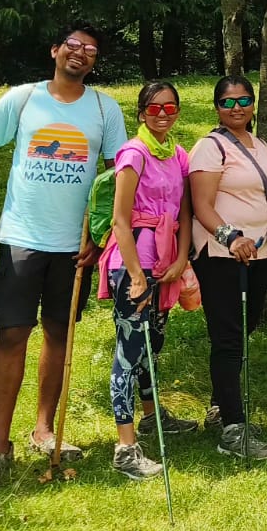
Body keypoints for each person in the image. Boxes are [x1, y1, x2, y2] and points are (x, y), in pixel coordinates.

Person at [0, 23, 127, 487]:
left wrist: (101, 233)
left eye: (90, 49)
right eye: (72, 45)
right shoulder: (24, 98)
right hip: (23, 238)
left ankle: (45, 429)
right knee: (11, 335)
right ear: (54, 50)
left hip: (75, 246)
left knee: (58, 335)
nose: (81, 53)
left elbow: (117, 178)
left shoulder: (105, 109)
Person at [188, 75, 267, 461]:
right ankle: (233, 428)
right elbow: (202, 205)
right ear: (217, 107)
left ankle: (220, 406)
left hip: (259, 253)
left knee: (243, 329)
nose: (237, 108)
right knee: (228, 336)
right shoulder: (209, 148)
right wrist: (231, 237)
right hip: (221, 256)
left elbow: (260, 190)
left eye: (243, 100)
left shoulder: (258, 143)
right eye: (228, 102)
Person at [99, 81, 195, 480]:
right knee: (129, 348)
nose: (162, 115)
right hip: (132, 263)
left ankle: (155, 416)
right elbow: (121, 220)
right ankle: (125, 448)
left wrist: (182, 258)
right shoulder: (133, 154)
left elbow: (186, 213)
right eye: (154, 109)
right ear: (141, 114)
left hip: (167, 259)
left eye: (170, 108)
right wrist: (137, 275)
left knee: (152, 344)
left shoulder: (178, 155)